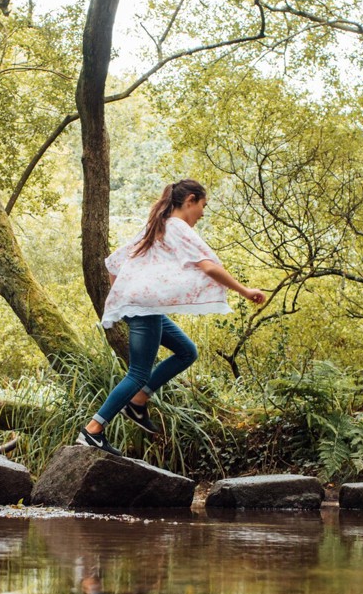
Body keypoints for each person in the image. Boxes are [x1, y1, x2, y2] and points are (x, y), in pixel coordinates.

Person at [77, 179, 265, 456]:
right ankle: (93, 430)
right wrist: (245, 291)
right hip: (144, 306)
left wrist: (122, 297)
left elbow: (114, 263)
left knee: (187, 351)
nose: (202, 213)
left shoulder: (157, 224)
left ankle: (138, 401)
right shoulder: (176, 226)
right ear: (190, 200)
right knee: (138, 372)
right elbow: (209, 267)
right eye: (203, 205)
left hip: (140, 304)